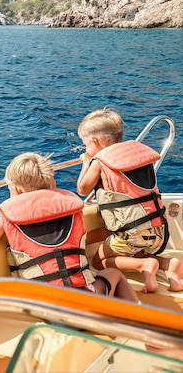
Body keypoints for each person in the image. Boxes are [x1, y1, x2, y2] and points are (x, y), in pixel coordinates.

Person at [0, 152, 138, 302]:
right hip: (86, 302)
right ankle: (139, 321)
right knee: (115, 275)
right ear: (51, 182)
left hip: (44, 304)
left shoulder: (9, 215)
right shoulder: (72, 208)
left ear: (17, 189)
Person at [76, 108, 183, 293]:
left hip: (130, 236)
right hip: (159, 232)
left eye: (86, 145)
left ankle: (145, 266)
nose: (87, 149)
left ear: (94, 142)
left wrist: (86, 162)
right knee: (135, 249)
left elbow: (82, 189)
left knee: (98, 261)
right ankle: (168, 264)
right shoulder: (139, 156)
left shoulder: (100, 161)